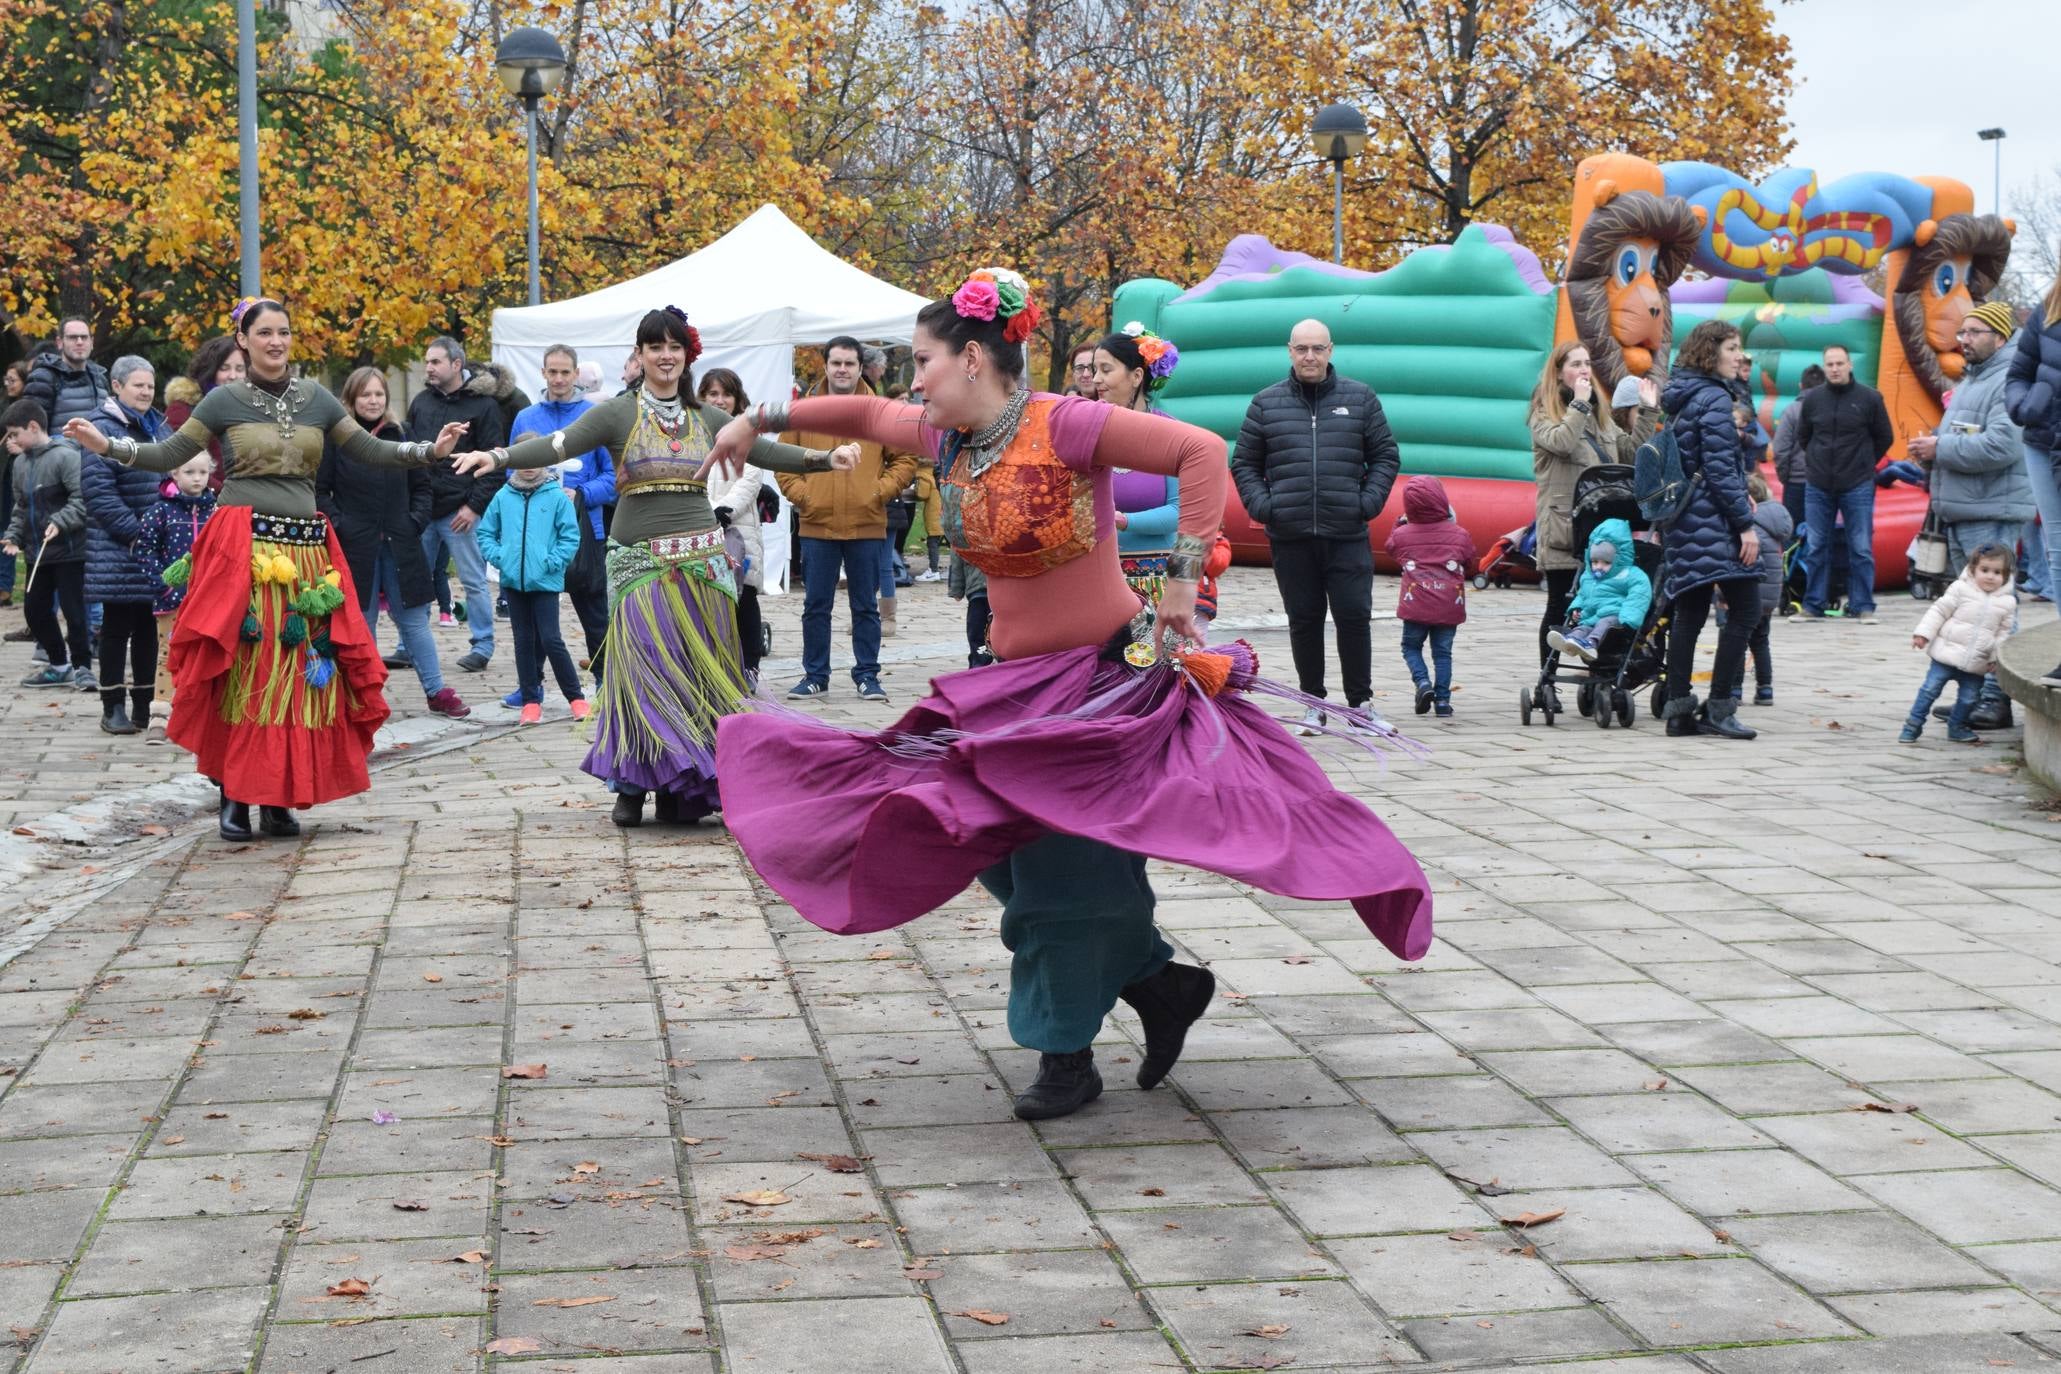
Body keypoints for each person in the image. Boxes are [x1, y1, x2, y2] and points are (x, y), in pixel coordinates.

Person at [702, 267, 1434, 1122]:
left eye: (923, 361)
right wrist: (756, 420)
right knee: (992, 848)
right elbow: (861, 415)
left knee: (1061, 874)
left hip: (1099, 687)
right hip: (1008, 690)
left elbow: (1199, 452)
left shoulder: (1067, 423)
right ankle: (1155, 980)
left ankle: (1064, 1053)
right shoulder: (948, 438)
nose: (913, 381)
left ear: (971, 358)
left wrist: (1179, 582)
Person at [63, 297, 468, 840]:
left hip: (305, 557)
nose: (277, 341)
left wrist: (430, 451)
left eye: (284, 332)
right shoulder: (225, 400)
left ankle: (279, 797)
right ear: (244, 341)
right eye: (265, 333)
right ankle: (235, 793)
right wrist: (106, 445)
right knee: (247, 665)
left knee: (301, 675)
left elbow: (370, 450)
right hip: (243, 552)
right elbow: (168, 454)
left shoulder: (316, 399)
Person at [447, 307, 857, 828]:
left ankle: (682, 789)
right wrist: (498, 457)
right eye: (655, 347)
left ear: (687, 357)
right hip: (638, 564)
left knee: (694, 674)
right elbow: (559, 444)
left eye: (675, 348)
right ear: (639, 356)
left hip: (702, 565)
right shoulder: (617, 413)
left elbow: (766, 451)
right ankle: (632, 785)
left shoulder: (707, 417)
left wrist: (825, 461)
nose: (666, 356)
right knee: (641, 672)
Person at [1230, 319, 1403, 734]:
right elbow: (1244, 463)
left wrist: (1367, 503)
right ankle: (1313, 704)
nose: (1310, 356)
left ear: (1331, 350)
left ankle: (1360, 706)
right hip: (1289, 537)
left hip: (1347, 534)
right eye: (1302, 348)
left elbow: (1385, 456)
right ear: (1289, 350)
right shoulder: (1265, 403)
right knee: (1304, 620)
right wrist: (1264, 506)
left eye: (1318, 348)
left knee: (1353, 617)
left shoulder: (1360, 398)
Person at [317, 367, 468, 720]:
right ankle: (364, 695)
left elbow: (423, 486)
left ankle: (436, 690)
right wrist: (341, 526)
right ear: (352, 400)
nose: (373, 400)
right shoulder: (337, 439)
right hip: (357, 547)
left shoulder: (403, 433)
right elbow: (321, 491)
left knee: (414, 620)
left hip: (401, 544)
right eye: (365, 394)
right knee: (362, 622)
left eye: (379, 394)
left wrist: (414, 521)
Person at [777, 335, 917, 702]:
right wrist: (806, 497)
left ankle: (868, 675)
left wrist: (878, 491)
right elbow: (781, 461)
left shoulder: (882, 411)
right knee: (815, 606)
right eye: (836, 363)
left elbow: (904, 460)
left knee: (866, 606)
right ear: (825, 365)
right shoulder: (802, 411)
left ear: (860, 367)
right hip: (817, 524)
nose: (842, 369)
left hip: (867, 524)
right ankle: (815, 675)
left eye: (849, 363)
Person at [1910, 300, 2027, 727]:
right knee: (1970, 609)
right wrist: (1930, 453)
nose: (1964, 340)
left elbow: (2003, 445)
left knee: (1996, 610)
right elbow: (1962, 440)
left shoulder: (2008, 381)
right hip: (1965, 508)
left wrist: (1941, 448)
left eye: (1974, 332)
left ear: (1999, 336)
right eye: (1963, 332)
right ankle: (1974, 697)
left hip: (1992, 509)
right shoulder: (1971, 381)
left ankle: (1996, 700)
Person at [1526, 341, 1661, 675]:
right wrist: (1579, 406)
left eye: (1587, 363)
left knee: (1604, 603)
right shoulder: (1544, 413)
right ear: (1558, 373)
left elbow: (1630, 453)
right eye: (1575, 364)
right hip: (1563, 528)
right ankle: (1549, 677)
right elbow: (1562, 442)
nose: (1584, 370)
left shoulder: (1599, 415)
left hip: (1602, 531)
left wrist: (1647, 412)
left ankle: (1601, 673)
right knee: (1560, 604)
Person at [1657, 320, 1762, 740]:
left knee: (1690, 613)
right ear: (1710, 353)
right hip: (1714, 522)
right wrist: (1745, 525)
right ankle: (1720, 707)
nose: (1739, 356)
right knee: (1748, 610)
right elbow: (1719, 470)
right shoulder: (1716, 400)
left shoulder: (1683, 396)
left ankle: (1679, 710)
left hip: (1684, 519)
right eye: (1733, 348)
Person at [83, 357, 173, 734]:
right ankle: (112, 706)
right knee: (118, 627)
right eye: (138, 385)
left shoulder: (159, 428)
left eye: (150, 385)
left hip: (154, 548)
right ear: (116, 387)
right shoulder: (101, 430)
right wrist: (136, 534)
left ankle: (144, 704)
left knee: (149, 628)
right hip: (121, 547)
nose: (146, 392)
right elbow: (98, 492)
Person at [514, 345, 613, 681]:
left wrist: (581, 493)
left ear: (576, 374)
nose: (558, 379)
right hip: (538, 533)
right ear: (543, 373)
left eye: (565, 372)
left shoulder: (595, 417)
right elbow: (510, 471)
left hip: (586, 531)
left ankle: (604, 681)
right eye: (552, 372)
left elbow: (614, 479)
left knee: (595, 614)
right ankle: (532, 686)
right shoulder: (526, 418)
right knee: (537, 616)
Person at [406, 336, 504, 671]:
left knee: (473, 581)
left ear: (457, 364)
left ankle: (483, 645)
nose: (428, 368)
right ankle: (409, 645)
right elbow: (412, 454)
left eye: (435, 362)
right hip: (423, 510)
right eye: (428, 361)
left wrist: (474, 507)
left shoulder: (484, 406)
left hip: (461, 510)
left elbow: (494, 463)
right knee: (414, 579)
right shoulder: (420, 403)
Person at [477, 454, 586, 724]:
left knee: (551, 639)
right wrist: (500, 557)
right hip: (513, 582)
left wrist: (554, 562)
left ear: (544, 460)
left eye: (533, 457)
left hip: (545, 581)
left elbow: (570, 535)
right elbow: (485, 533)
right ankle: (530, 701)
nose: (528, 464)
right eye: (522, 458)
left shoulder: (556, 496)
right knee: (523, 641)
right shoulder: (503, 496)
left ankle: (576, 698)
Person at [1791, 343, 1894, 623]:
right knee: (1816, 545)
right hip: (1818, 483)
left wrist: (1864, 463)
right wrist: (1816, 461)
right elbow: (1804, 436)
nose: (1834, 369)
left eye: (1839, 364)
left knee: (1860, 545)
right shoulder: (1813, 400)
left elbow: (1885, 437)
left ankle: (1863, 605)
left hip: (1857, 483)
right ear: (1824, 368)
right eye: (1830, 365)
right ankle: (1813, 605)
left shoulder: (1870, 398)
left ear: (1850, 365)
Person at [1095, 325, 1187, 605]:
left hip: (1156, 580)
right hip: (1094, 577)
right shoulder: (1086, 431)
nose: (1096, 379)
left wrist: (1124, 521)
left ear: (1136, 376)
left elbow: (1181, 511)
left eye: (1106, 370)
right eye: (1093, 369)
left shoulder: (1170, 434)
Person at [2, 401, 91, 688]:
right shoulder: (20, 463)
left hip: (69, 550)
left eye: (14, 434)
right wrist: (14, 535)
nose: (11, 441)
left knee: (74, 611)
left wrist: (61, 521)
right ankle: (58, 663)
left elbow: (82, 499)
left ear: (33, 427)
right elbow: (20, 507)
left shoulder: (66, 457)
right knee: (34, 609)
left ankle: (83, 666)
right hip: (36, 552)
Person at [132, 453, 216, 743]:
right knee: (168, 655)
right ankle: (160, 714)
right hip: (171, 600)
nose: (197, 478)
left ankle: (201, 716)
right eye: (189, 471)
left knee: (207, 655)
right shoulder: (161, 511)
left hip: (210, 599)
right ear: (174, 475)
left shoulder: (217, 511)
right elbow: (144, 550)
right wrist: (165, 586)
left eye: (203, 472)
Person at [1902, 543, 2017, 743]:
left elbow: (2003, 634)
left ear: (2006, 576)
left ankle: (1957, 726)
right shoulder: (1960, 589)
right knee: (1929, 690)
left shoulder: (2007, 602)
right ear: (1973, 569)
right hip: (1945, 656)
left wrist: (1994, 658)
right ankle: (1913, 724)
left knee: (1969, 699)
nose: (1990, 576)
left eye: (1997, 572)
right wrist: (1923, 633)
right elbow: (1939, 611)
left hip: (1976, 663)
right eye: (1985, 570)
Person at [1385, 474, 1475, 717]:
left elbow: (1390, 547)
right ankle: (1443, 702)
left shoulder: (1404, 535)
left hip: (1417, 605)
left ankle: (1423, 683)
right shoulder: (1459, 534)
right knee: (1442, 653)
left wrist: (1400, 523)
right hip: (1448, 605)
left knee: (1410, 646)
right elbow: (1469, 557)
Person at [699, 370, 769, 680]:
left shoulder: (748, 433)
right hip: (700, 530)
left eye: (725, 394)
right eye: (712, 394)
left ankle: (750, 666)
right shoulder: (694, 434)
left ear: (737, 399)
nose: (719, 400)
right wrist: (702, 512)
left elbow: (750, 480)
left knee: (744, 599)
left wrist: (720, 510)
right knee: (706, 600)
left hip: (738, 530)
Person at [1545, 517, 1650, 665]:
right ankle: (1572, 641)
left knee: (1604, 624)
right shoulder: (1589, 576)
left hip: (1615, 619)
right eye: (1594, 562)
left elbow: (1638, 597)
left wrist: (1628, 619)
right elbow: (1582, 594)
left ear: (1619, 559)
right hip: (1591, 618)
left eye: (1606, 563)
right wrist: (1576, 608)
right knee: (1582, 627)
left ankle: (1590, 643)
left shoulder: (1630, 575)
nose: (1599, 567)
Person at [164, 336, 246, 492]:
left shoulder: (251, 410)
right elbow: (182, 464)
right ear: (210, 369)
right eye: (224, 368)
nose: (233, 376)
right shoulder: (183, 409)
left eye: (240, 369)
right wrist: (227, 497)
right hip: (204, 506)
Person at [1744, 472, 1791, 705]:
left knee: (1736, 641)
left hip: (1744, 596)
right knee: (1761, 642)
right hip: (1769, 599)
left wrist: (1721, 595)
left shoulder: (1747, 526)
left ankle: (1732, 690)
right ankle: (1765, 689)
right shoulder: (1774, 525)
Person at [23, 317, 111, 438]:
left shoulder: (100, 379)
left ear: (92, 342)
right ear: (60, 342)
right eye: (72, 337)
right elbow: (31, 432)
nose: (79, 342)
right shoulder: (44, 378)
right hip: (61, 455)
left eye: (84, 337)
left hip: (100, 455)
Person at [1771, 363, 1825, 528]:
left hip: (1796, 482)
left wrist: (1785, 477)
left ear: (1800, 386)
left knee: (1792, 532)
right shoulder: (1831, 411)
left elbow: (1780, 449)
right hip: (1824, 481)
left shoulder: (1791, 411)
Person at [0, 361, 26, 608]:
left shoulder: (26, 409)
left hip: (21, 473)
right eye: (6, 380)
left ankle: (4, 586)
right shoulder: (5, 405)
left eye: (13, 380)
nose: (8, 384)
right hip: (6, 472)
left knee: (11, 528)